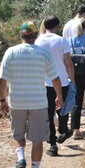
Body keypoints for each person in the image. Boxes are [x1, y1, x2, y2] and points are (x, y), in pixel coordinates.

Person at [0, 21, 64, 168]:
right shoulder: (43, 54)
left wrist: (2, 100)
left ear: (21, 35)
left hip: (17, 102)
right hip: (38, 103)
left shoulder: (11, 52)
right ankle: (35, 166)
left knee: (18, 136)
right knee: (37, 140)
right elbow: (55, 79)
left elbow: (2, 80)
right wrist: (59, 96)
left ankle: (21, 158)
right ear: (35, 36)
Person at [34, 16, 75, 157]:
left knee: (48, 113)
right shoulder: (61, 40)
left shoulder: (37, 41)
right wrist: (73, 80)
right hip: (62, 80)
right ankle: (63, 131)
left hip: (44, 83)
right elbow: (68, 62)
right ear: (57, 26)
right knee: (62, 110)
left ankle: (52, 144)